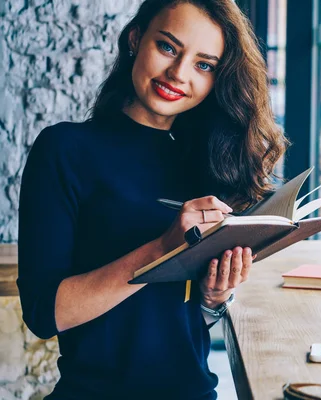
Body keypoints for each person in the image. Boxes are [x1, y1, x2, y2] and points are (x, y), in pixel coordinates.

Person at [17, 1, 287, 399]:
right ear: (135, 38)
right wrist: (164, 249)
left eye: (204, 64)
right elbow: (44, 314)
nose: (178, 73)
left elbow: (179, 319)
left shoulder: (207, 162)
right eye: (168, 47)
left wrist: (214, 298)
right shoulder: (64, 149)